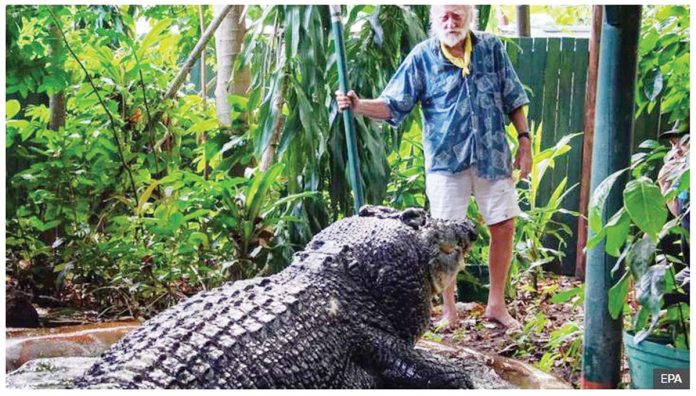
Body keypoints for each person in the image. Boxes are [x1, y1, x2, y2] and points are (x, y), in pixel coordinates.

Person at [336, 5, 531, 329]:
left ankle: (496, 304)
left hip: (491, 155)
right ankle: (449, 311)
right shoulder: (422, 56)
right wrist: (359, 106)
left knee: (504, 225)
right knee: (444, 238)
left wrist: (524, 141)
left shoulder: (491, 48)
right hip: (445, 162)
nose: (450, 22)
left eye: (457, 15)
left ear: (470, 17)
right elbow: (393, 104)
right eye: (444, 16)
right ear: (434, 21)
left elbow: (513, 96)